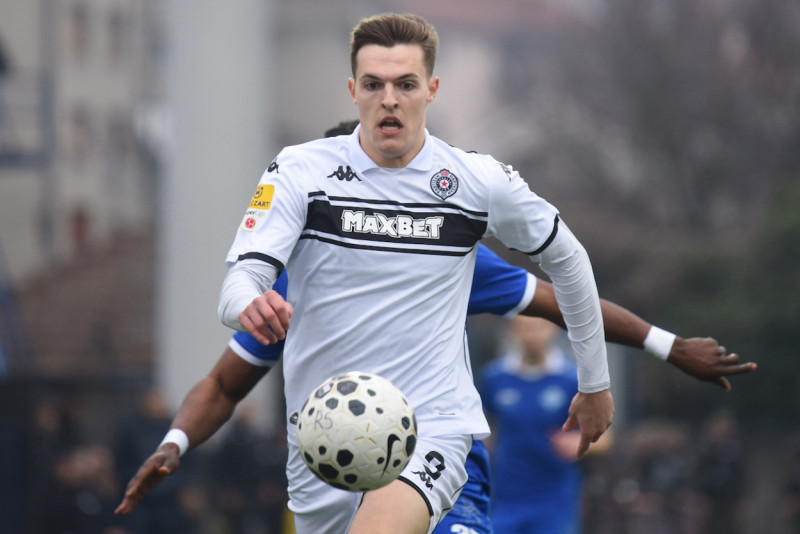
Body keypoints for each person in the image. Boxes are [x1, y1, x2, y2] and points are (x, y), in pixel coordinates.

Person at [117, 14, 748, 532]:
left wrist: (606, 375)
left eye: (406, 83)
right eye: (373, 84)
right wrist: (182, 429)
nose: (389, 98)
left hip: (433, 433)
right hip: (323, 451)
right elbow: (237, 297)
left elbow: (567, 270)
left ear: (431, 89)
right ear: (353, 89)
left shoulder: (473, 187)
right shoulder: (297, 183)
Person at [478, 316, 611, 534]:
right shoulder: (494, 378)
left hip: (555, 500)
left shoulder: (573, 380)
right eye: (523, 328)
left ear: (554, 329)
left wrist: (578, 442)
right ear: (512, 331)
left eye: (538, 327)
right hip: (504, 498)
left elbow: (605, 439)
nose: (531, 335)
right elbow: (484, 432)